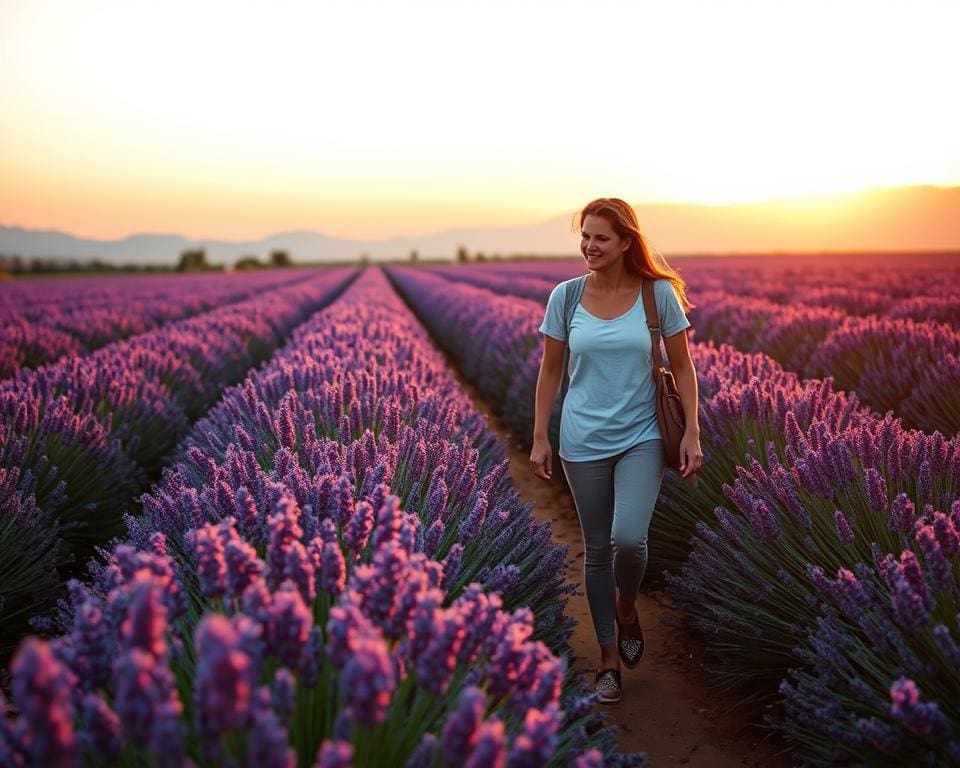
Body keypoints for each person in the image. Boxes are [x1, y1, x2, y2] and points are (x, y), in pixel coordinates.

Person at [530, 197, 701, 704]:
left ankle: (627, 605)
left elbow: (684, 367)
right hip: (581, 440)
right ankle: (608, 660)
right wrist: (540, 433)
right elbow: (551, 370)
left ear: (626, 242)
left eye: (601, 237)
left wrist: (692, 430)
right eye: (585, 236)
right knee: (597, 547)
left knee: (629, 540)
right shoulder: (565, 297)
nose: (590, 245)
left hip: (643, 436)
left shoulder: (657, 295)